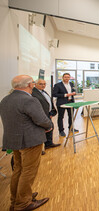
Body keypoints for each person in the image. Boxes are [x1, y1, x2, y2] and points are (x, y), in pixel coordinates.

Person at [0, 75, 52, 210]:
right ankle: (23, 203)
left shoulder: (5, 99)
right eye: (34, 83)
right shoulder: (29, 100)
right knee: (28, 171)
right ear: (29, 85)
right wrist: (49, 126)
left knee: (18, 169)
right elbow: (41, 119)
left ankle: (16, 198)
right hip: (30, 140)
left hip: (14, 140)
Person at [32, 79, 60, 150]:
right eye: (41, 84)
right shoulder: (33, 93)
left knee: (50, 127)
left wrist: (51, 112)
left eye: (44, 84)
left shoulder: (44, 92)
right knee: (42, 130)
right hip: (41, 114)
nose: (43, 85)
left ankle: (48, 143)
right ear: (35, 84)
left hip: (48, 113)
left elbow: (48, 102)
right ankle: (40, 148)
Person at [53, 73, 77, 137]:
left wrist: (74, 93)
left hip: (70, 102)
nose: (67, 78)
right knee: (61, 117)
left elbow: (73, 90)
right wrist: (65, 95)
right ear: (62, 78)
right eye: (65, 77)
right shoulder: (57, 85)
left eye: (68, 77)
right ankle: (61, 131)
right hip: (62, 103)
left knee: (71, 116)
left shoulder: (71, 84)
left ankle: (71, 128)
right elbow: (54, 94)